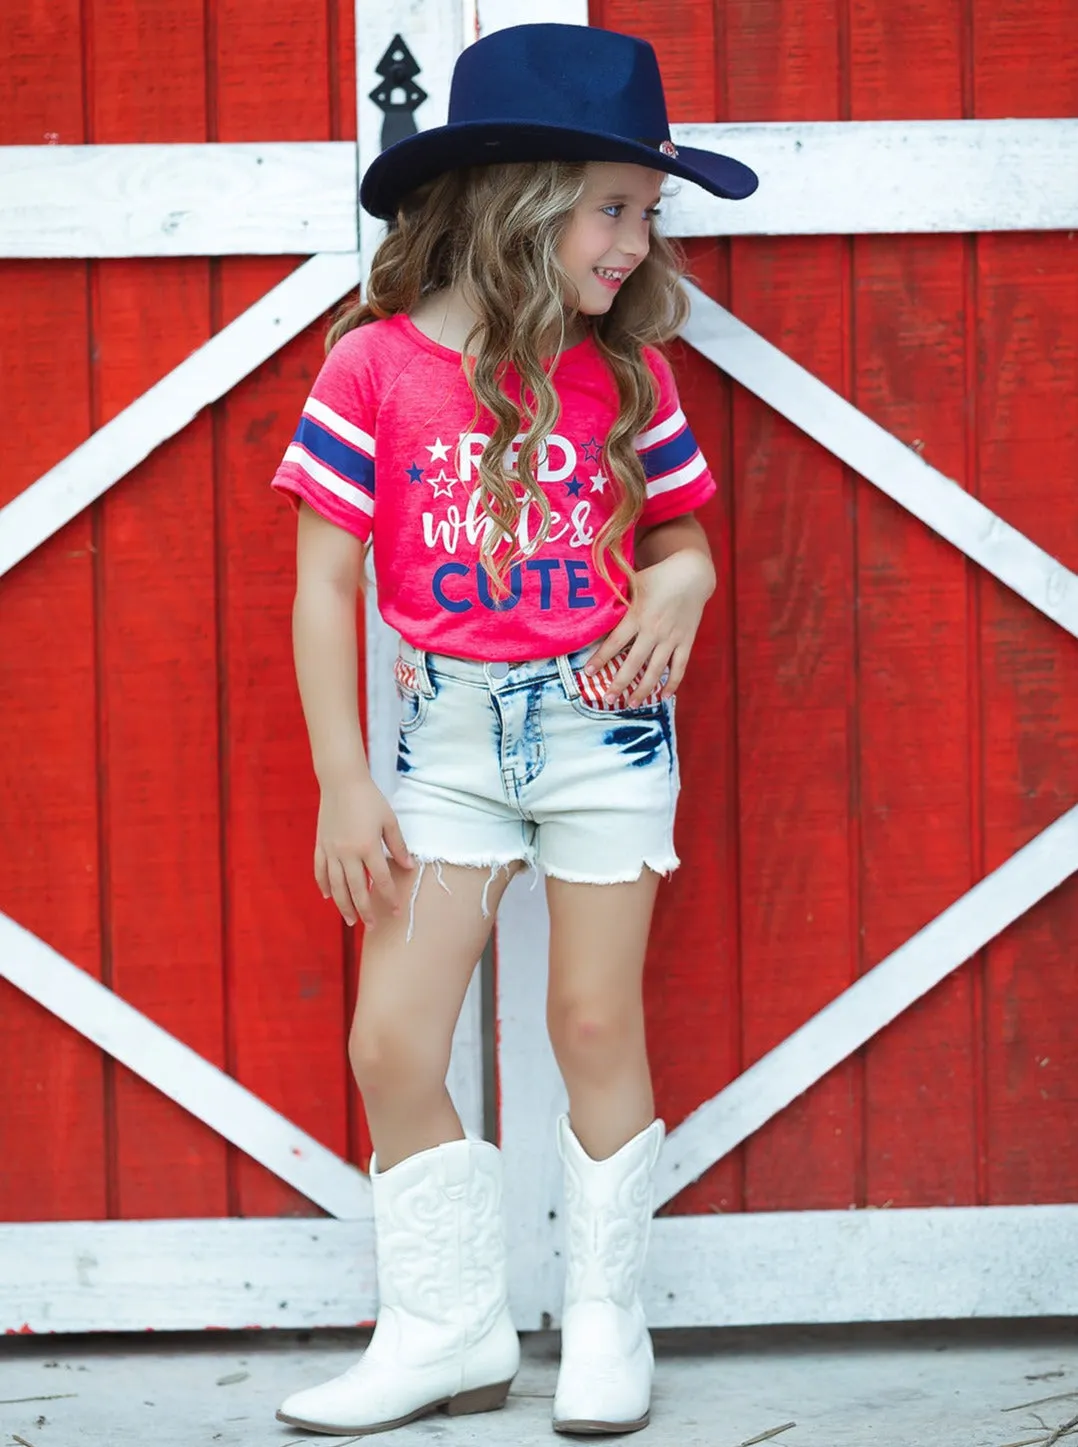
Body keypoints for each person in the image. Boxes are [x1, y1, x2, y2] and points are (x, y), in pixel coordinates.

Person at [270, 21, 757, 1439]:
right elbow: (323, 583)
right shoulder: (373, 371)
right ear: (517, 198)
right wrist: (343, 778)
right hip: (447, 749)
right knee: (392, 1044)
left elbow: (680, 542)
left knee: (592, 1016)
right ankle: (446, 1328)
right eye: (611, 208)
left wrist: (686, 575)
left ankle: (606, 1323)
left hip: (603, 728)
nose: (633, 243)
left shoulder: (630, 376)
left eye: (646, 214)